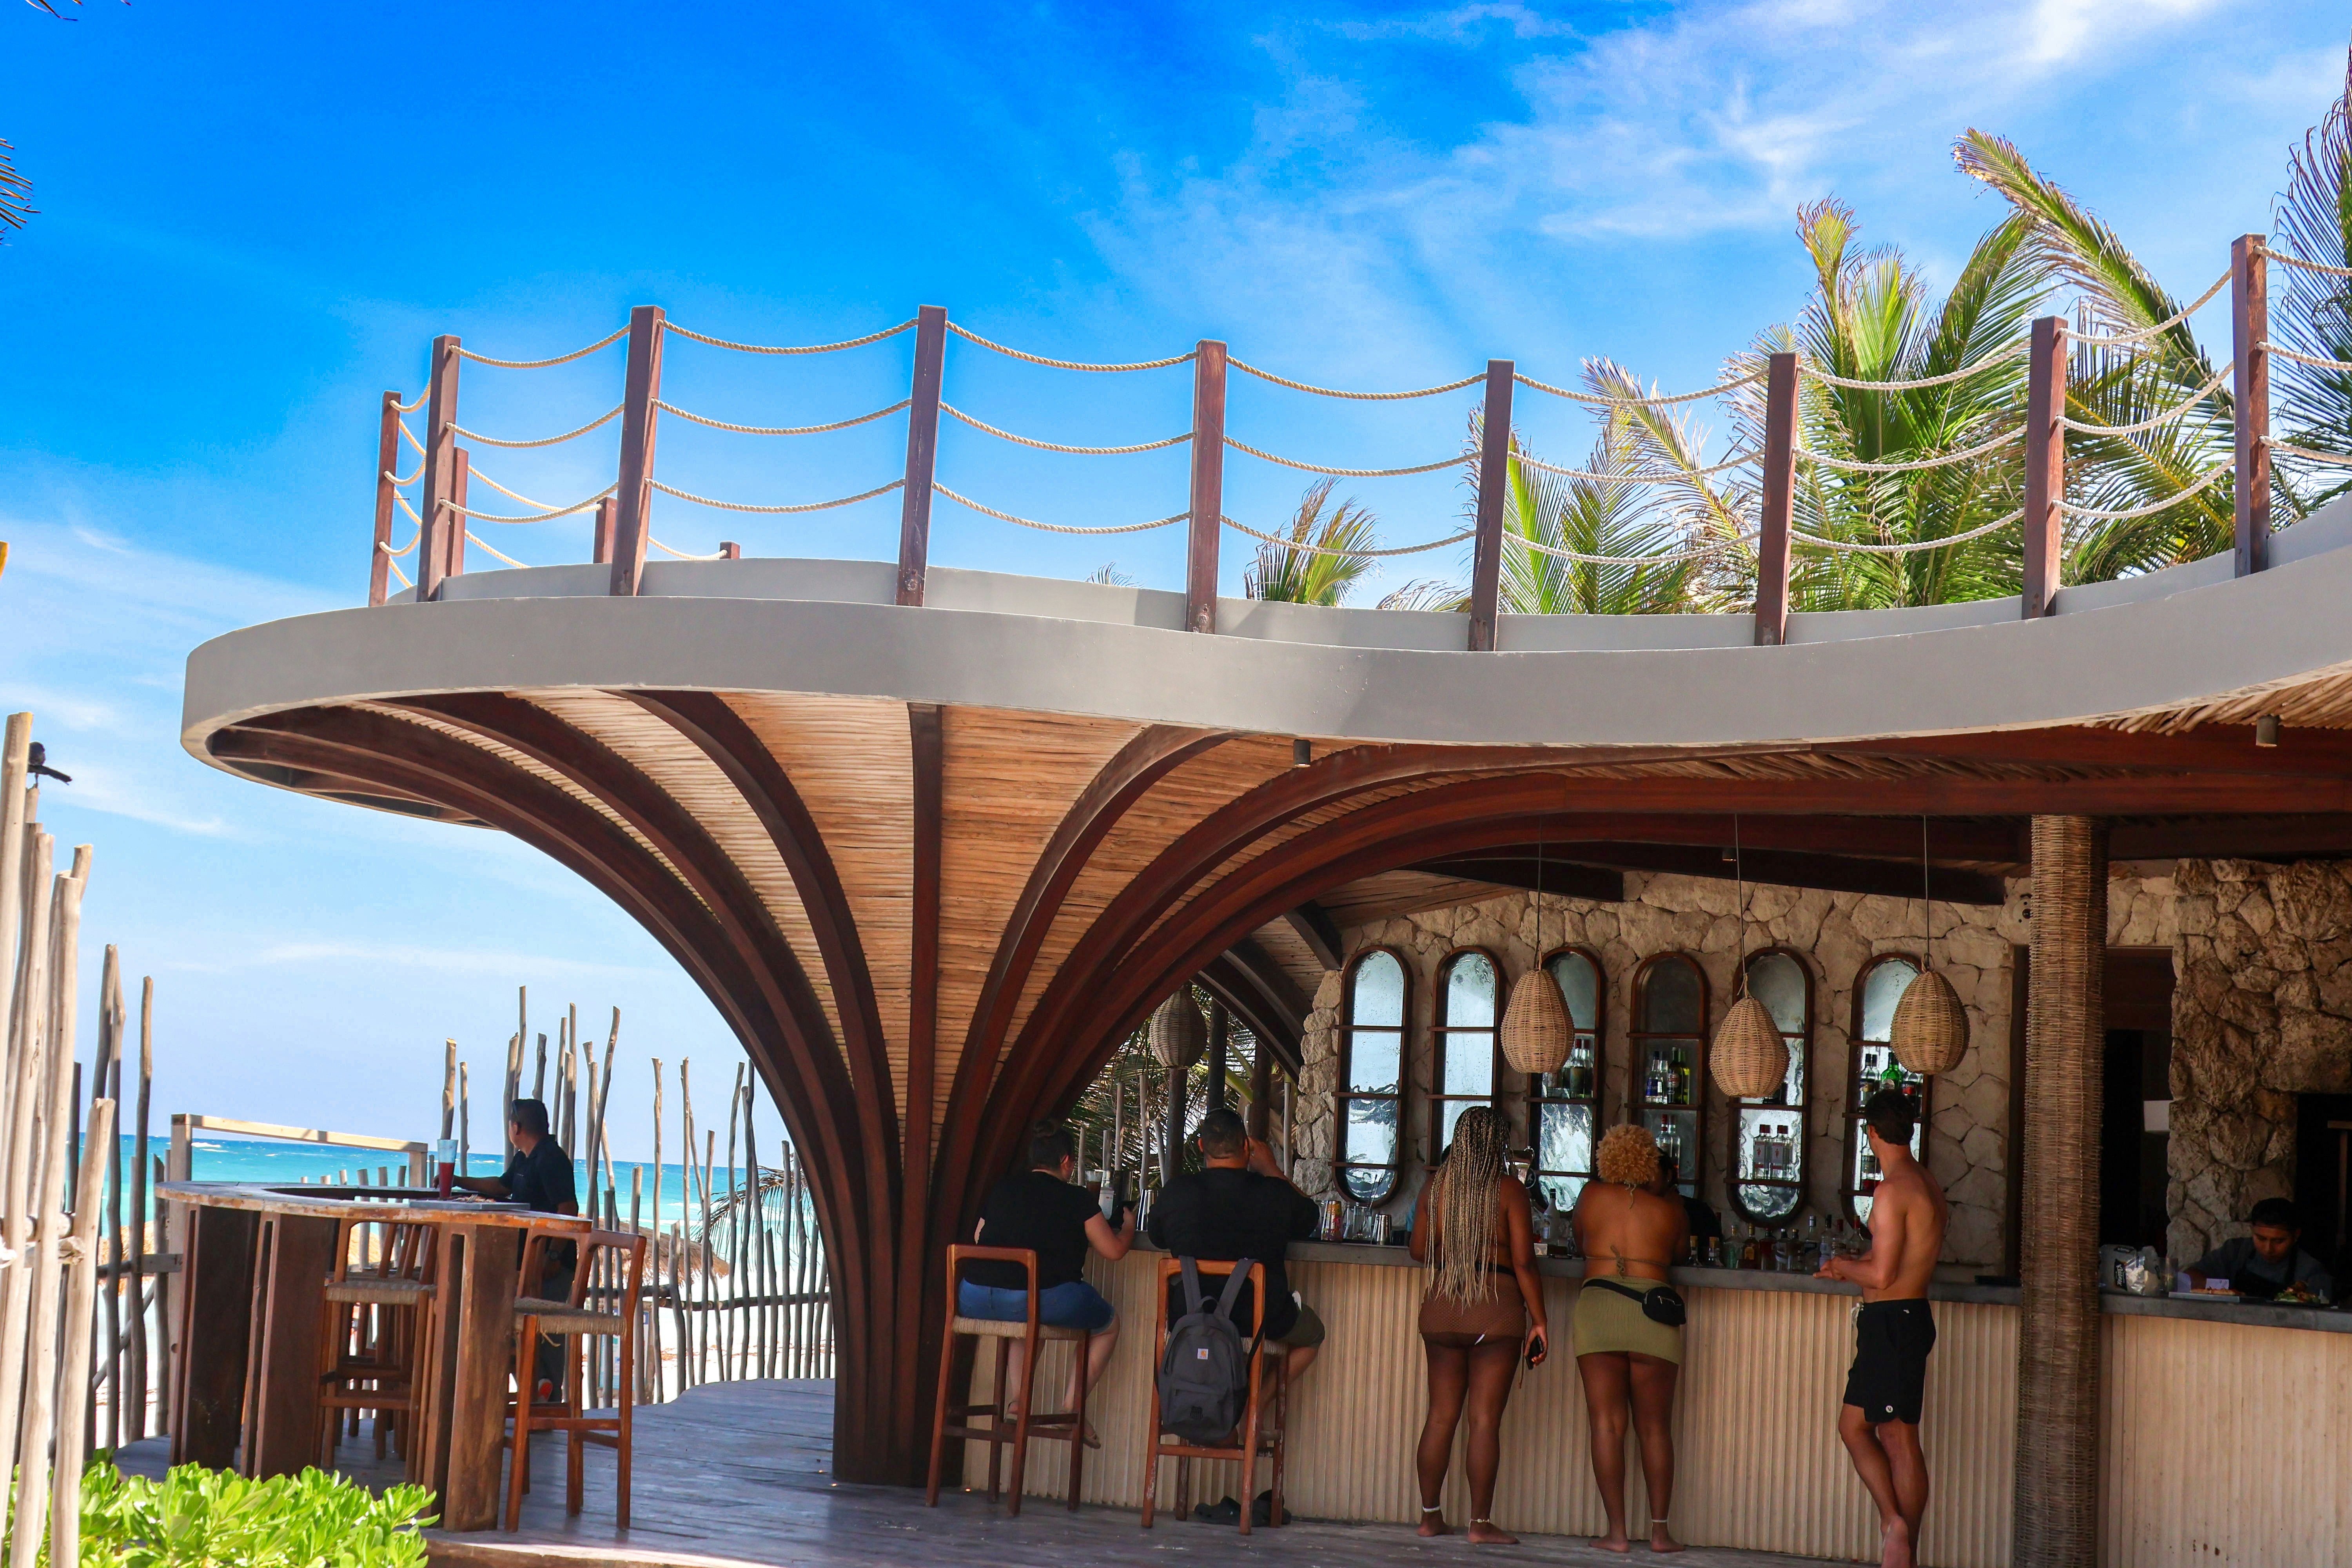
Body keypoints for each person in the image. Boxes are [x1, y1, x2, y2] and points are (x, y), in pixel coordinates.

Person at [1816, 1088, 1948, 1568]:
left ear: (1871, 1133)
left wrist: (1842, 1266)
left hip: (1895, 1321)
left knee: (1882, 1434)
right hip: (1902, 1320)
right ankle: (1899, 1535)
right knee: (1878, 1431)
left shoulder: (1892, 1191)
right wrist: (1850, 1265)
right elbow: (1897, 1259)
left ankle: (1898, 1533)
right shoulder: (1926, 1182)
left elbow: (1883, 1275)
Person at [1408, 1106, 1548, 1546]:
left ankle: (1431, 1517)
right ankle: (1480, 1524)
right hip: (1495, 1310)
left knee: (1440, 1416)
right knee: (1484, 1421)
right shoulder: (1509, 1190)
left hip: (1443, 1309)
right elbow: (1524, 1262)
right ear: (1499, 1146)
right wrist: (1540, 1321)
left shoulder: (1438, 1186)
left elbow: (1417, 1251)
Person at [964, 1122, 1134, 1443]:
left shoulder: (1004, 1188)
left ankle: (1018, 1403)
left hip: (972, 1296)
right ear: (1067, 1162)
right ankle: (1071, 1410)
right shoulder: (1076, 1198)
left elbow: (977, 1238)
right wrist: (1127, 1226)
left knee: (1028, 1313)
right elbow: (1113, 1252)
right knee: (1108, 1324)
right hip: (1036, 1299)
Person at [1572, 1123, 1688, 1555]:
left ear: (1607, 1158)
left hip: (1600, 1308)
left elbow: (1580, 1241)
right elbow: (1681, 1255)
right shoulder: (1670, 1209)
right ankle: (1660, 1533)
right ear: (1649, 1161)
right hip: (1653, 1313)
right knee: (1655, 1428)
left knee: (1607, 1423)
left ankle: (1617, 1533)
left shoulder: (1590, 1198)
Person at [1145, 1107, 1324, 1388]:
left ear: (1202, 1146)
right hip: (1260, 1317)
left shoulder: (1177, 1191)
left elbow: (1156, 1237)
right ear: (1246, 1147)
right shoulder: (1274, 1193)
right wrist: (1272, 1170)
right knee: (1314, 1335)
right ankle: (1254, 1415)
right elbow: (1311, 1218)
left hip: (1190, 1315)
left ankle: (1194, 1409)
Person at [452, 1098, 579, 1396]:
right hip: (524, 1260)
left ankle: (544, 1401)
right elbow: (502, 1186)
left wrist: (553, 1254)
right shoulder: (526, 1157)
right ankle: (533, 1392)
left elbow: (568, 1208)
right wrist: (459, 1181)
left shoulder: (551, 1158)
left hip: (550, 1263)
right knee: (510, 1326)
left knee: (546, 1331)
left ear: (517, 1126)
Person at [2185, 1198, 2334, 1299]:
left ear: (2296, 1236)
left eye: (2279, 1241)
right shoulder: (2236, 1251)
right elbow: (2189, 1278)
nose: (2268, 1249)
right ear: (2252, 1231)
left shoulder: (2311, 1269)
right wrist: (2224, 1290)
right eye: (2261, 1239)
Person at [1651, 1154, 1721, 1261]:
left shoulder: (1699, 1211)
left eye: (1651, 1171)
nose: (1644, 1178)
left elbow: (1713, 1258)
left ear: (1668, 1176)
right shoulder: (1637, 1210)